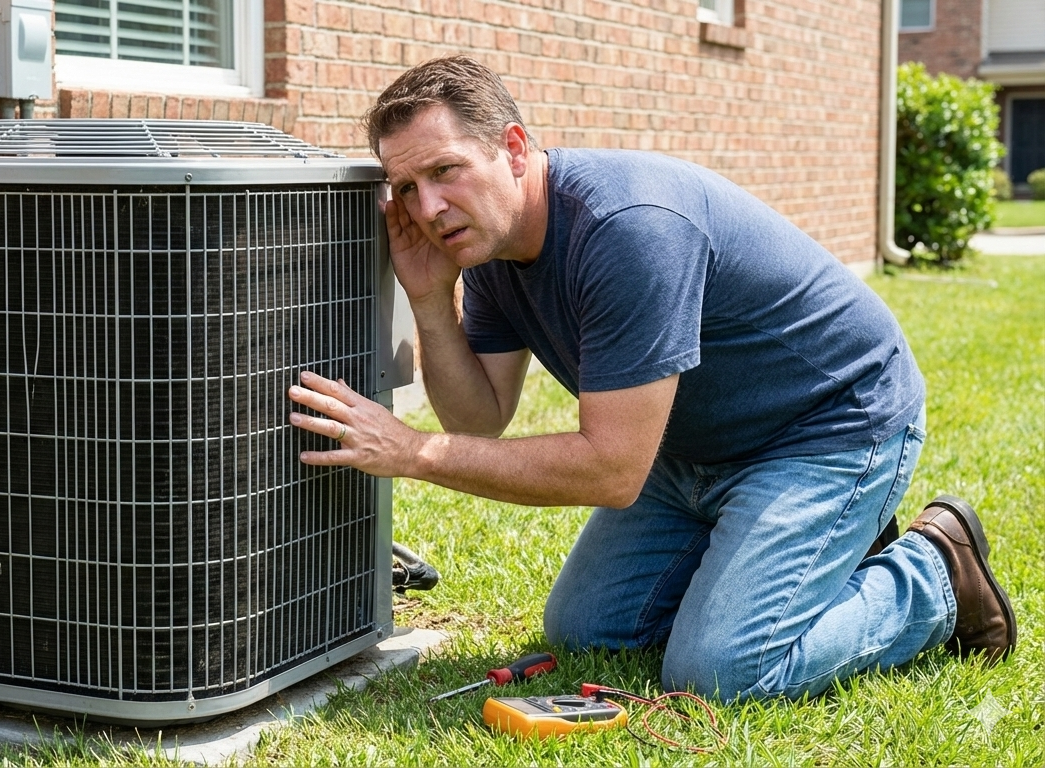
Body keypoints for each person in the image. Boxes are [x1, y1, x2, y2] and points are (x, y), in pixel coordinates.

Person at [286, 55, 1016, 702]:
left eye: (445, 171)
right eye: (407, 187)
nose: (428, 208)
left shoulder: (628, 228)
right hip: (693, 448)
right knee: (589, 631)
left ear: (511, 149)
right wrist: (427, 299)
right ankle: (778, 554)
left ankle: (933, 576)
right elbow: (479, 419)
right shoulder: (494, 245)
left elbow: (610, 469)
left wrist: (412, 452)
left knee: (721, 674)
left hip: (829, 427)